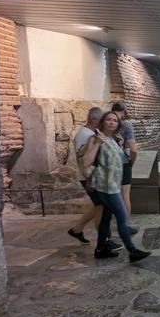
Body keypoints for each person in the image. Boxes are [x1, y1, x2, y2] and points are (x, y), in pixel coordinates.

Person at [80, 111, 150, 264]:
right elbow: (86, 162)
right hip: (104, 186)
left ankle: (100, 249)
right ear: (102, 122)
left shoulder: (114, 139)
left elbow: (118, 159)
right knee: (122, 217)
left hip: (113, 184)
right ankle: (132, 251)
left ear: (118, 124)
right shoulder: (94, 138)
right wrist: (97, 143)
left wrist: (119, 145)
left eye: (115, 120)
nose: (112, 122)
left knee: (105, 219)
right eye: (108, 119)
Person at [67, 107, 120, 251]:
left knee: (99, 206)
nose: (106, 122)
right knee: (102, 208)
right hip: (91, 179)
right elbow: (83, 160)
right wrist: (90, 179)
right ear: (94, 120)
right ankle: (105, 240)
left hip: (94, 178)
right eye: (104, 119)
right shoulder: (85, 135)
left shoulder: (91, 133)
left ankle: (77, 230)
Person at [111, 101, 138, 235]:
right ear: (124, 111)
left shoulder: (103, 124)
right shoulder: (126, 126)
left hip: (107, 164)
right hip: (122, 163)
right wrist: (131, 163)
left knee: (111, 194)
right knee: (125, 195)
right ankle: (125, 224)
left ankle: (110, 222)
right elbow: (133, 150)